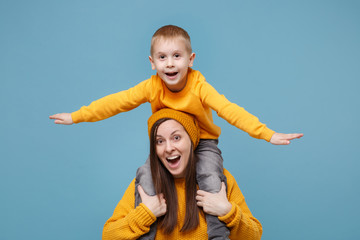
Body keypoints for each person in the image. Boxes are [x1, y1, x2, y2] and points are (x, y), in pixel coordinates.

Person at [49, 25, 303, 239]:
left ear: (191, 60)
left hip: (204, 142)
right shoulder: (151, 87)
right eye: (162, 57)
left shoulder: (199, 87)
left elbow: (229, 110)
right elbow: (116, 102)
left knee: (212, 180)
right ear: (152, 63)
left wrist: (267, 134)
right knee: (144, 178)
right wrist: (76, 116)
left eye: (176, 56)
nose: (169, 64)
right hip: (168, 166)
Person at [102, 108, 263, 240]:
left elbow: (254, 236)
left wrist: (228, 211)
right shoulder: (146, 185)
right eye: (159, 141)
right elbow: (108, 235)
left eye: (176, 137)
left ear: (191, 140)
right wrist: (145, 213)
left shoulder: (220, 180)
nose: (168, 148)